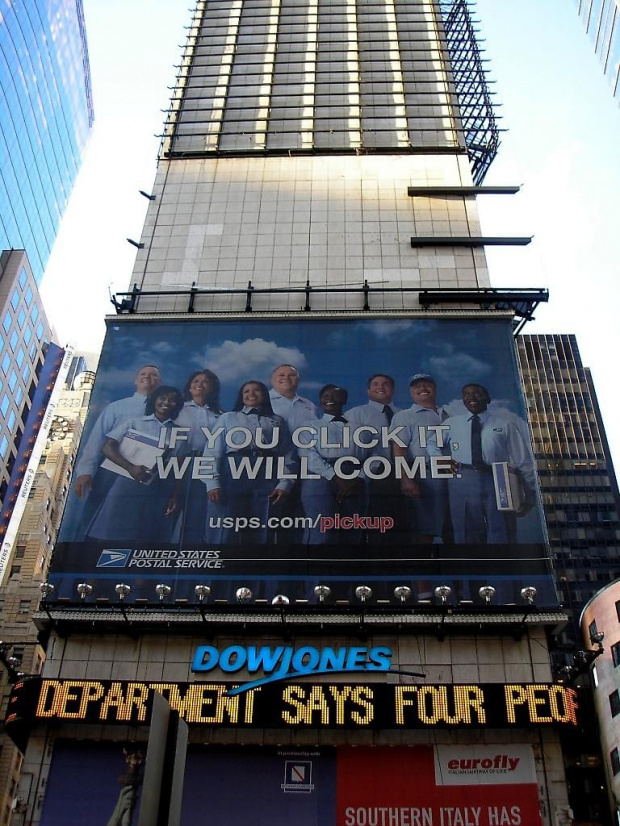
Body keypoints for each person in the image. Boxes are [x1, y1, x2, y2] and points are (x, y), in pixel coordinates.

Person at [431, 383, 537, 544]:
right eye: (466, 394)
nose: (471, 398)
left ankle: (502, 564)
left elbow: (523, 460)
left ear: (487, 398)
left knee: (502, 527)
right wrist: (440, 460)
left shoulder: (504, 425)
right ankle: (471, 565)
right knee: (466, 529)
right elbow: (432, 443)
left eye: (477, 393)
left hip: (499, 476)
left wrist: (531, 494)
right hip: (463, 476)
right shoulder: (452, 424)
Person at [84, 386, 185, 543]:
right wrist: (130, 467)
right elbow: (107, 447)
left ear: (177, 405)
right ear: (154, 400)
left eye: (172, 400)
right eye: (163, 398)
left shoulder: (179, 433)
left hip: (157, 490)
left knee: (144, 538)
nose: (166, 402)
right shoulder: (134, 423)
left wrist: (175, 495)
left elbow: (179, 467)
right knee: (111, 535)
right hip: (124, 486)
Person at [204, 380, 296, 545]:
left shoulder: (277, 421)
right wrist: (212, 483)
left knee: (262, 524)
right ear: (241, 396)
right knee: (225, 524)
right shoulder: (228, 418)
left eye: (256, 390)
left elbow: (287, 454)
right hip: (232, 471)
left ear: (265, 395)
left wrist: (284, 483)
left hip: (266, 472)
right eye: (246, 391)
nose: (251, 394)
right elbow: (213, 450)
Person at [73, 365, 162, 498]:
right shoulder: (117, 407)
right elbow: (97, 439)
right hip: (112, 472)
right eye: (143, 374)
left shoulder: (168, 411)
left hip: (148, 477)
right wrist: (85, 471)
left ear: (159, 382)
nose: (147, 377)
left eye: (153, 375)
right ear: (136, 381)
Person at [298, 384, 367, 544]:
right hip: (320, 478)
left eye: (334, 395)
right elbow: (308, 455)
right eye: (325, 396)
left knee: (352, 533)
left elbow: (375, 455)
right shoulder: (309, 426)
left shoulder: (360, 428)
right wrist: (335, 476)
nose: (329, 399)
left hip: (355, 478)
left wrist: (360, 478)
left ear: (344, 400)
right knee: (321, 532)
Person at [391, 374, 450, 544]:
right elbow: (399, 449)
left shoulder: (448, 414)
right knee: (424, 529)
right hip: (424, 473)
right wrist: (405, 479)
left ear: (435, 388)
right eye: (417, 386)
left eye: (427, 385)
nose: (423, 388)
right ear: (411, 392)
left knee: (451, 527)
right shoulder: (405, 416)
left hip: (454, 475)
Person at [346, 373, 403, 543]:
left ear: (392, 390)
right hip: (373, 475)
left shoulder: (403, 414)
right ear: (368, 390)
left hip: (404, 473)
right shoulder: (356, 413)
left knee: (401, 524)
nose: (380, 387)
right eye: (375, 384)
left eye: (385, 384)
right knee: (374, 523)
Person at [175, 369, 224, 543]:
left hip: (205, 465)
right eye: (196, 380)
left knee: (196, 512)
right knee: (169, 508)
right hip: (176, 463)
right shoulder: (177, 408)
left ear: (212, 388)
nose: (199, 384)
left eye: (205, 381)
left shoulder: (221, 415)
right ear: (189, 386)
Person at [269, 364, 318, 430]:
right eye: (281, 375)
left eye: (292, 375)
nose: (286, 378)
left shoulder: (310, 405)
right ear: (272, 380)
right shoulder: (263, 402)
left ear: (298, 380)